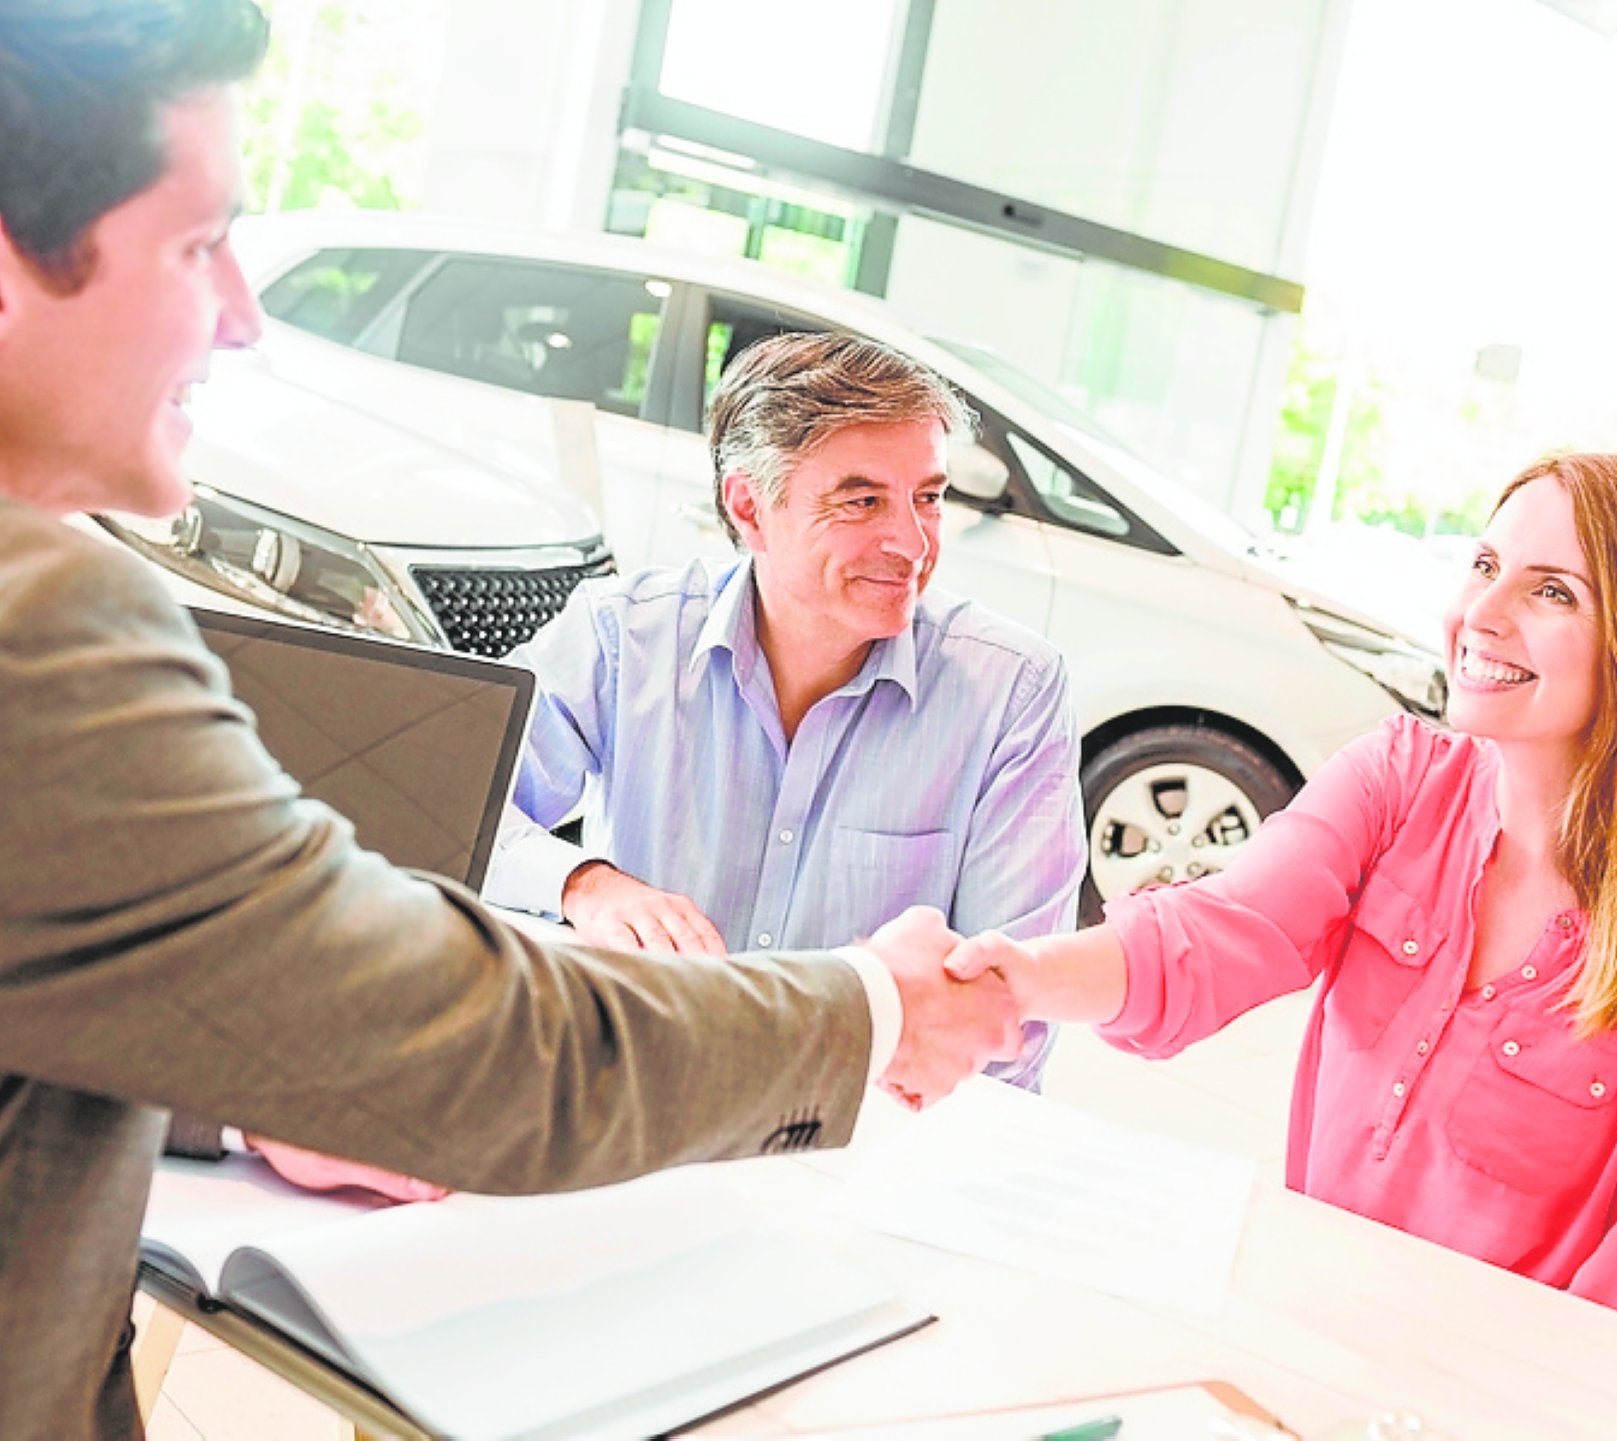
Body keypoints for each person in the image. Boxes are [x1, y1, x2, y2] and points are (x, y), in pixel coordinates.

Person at [0, 5, 1017, 1436]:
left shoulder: (1006, 684)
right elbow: (480, 1045)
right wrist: (874, 1007)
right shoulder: (41, 625)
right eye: (196, 245)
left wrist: (237, 1099)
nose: (244, 309)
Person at [946, 451, 1617, 1337]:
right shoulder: (1398, 782)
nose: (1482, 615)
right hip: (1299, 1335)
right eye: (1486, 566)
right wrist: (1016, 976)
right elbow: (1209, 936)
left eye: (1554, 593)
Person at [485, 329, 1087, 1090]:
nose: (910, 541)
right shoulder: (623, 637)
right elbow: (451, 809)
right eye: (861, 500)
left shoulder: (1012, 693)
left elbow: (1011, 1022)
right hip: (639, 1088)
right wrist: (586, 884)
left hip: (865, 1127)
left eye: (927, 498)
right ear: (750, 506)